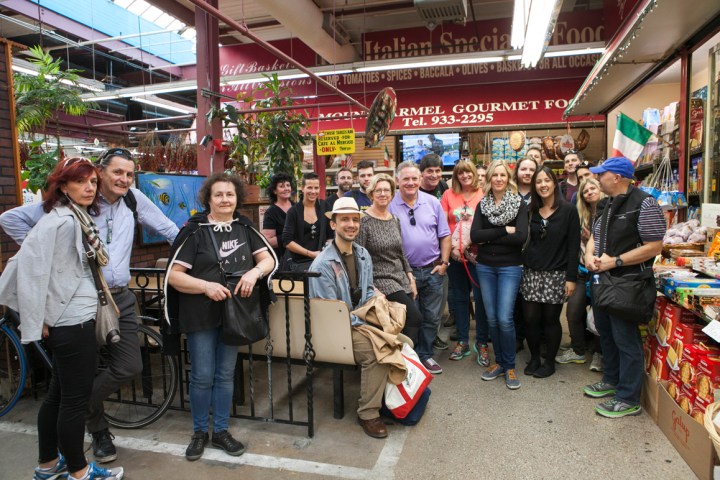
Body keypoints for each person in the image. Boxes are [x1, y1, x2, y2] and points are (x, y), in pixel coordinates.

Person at [0, 147, 178, 463]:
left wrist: (193, 255)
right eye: (117, 172)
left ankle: (76, 408)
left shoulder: (134, 200)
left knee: (129, 365)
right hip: (78, 299)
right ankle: (98, 433)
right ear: (101, 171)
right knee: (78, 372)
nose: (124, 179)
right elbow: (10, 219)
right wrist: (46, 253)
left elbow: (169, 229)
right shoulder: (69, 208)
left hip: (119, 296)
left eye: (129, 174)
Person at [0, 157, 124, 480]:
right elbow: (29, 270)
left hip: (68, 320)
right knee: (74, 401)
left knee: (57, 395)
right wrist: (36, 316)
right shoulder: (62, 221)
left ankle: (47, 465)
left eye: (93, 182)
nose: (89, 187)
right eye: (80, 181)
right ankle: (80, 472)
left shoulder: (70, 217)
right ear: (63, 185)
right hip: (72, 323)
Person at [165, 173, 276, 461]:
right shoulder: (194, 231)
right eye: (219, 195)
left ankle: (221, 432)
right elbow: (175, 277)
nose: (225, 199)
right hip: (200, 314)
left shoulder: (244, 228)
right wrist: (205, 286)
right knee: (202, 376)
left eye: (230, 194)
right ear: (208, 199)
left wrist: (253, 272)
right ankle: (200, 432)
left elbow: (268, 259)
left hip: (235, 313)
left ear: (237, 198)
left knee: (225, 375)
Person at [309, 197, 399, 439]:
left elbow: (368, 290)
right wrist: (370, 324)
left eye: (355, 220)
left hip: (357, 322)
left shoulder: (362, 254)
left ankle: (390, 401)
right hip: (334, 332)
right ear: (333, 224)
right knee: (377, 352)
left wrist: (379, 311)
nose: (351, 224)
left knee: (404, 342)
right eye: (345, 219)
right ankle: (368, 413)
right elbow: (330, 314)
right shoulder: (323, 264)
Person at [584, 157, 665, 418]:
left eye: (602, 174)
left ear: (616, 177)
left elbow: (654, 247)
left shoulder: (645, 203)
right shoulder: (606, 204)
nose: (597, 179)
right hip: (604, 281)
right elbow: (595, 237)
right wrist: (589, 255)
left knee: (625, 339)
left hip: (629, 284)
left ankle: (628, 398)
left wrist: (614, 261)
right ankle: (611, 380)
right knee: (606, 333)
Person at [470, 160, 528, 390]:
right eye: (495, 175)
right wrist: (504, 230)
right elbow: (475, 235)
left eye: (503, 175)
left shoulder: (518, 204)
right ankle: (500, 363)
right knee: (492, 318)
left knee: (504, 318)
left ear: (508, 178)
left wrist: (489, 236)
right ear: (489, 179)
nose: (499, 179)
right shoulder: (482, 204)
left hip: (509, 267)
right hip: (485, 266)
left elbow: (521, 237)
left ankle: (510, 365)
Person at [389, 161, 450, 375]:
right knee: (409, 317)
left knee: (433, 316)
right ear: (397, 181)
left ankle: (425, 354)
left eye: (414, 178)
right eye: (405, 178)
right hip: (405, 273)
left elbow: (444, 234)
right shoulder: (389, 205)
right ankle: (408, 356)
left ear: (420, 180)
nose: (411, 183)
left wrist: (444, 263)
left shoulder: (432, 202)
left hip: (434, 270)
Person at [520, 166, 580, 379]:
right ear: (534, 186)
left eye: (547, 180)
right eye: (538, 182)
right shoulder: (530, 210)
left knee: (551, 320)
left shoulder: (568, 211)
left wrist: (571, 278)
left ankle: (549, 362)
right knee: (530, 319)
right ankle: (535, 357)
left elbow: (574, 246)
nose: (543, 185)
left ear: (555, 183)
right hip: (531, 273)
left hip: (556, 274)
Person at [356, 174, 420, 345]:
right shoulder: (364, 221)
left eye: (387, 190)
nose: (383, 194)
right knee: (414, 318)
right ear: (371, 194)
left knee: (402, 323)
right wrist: (372, 288)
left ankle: (402, 362)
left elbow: (401, 252)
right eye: (379, 190)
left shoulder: (394, 219)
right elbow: (359, 259)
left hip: (400, 278)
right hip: (381, 280)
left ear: (392, 194)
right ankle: (405, 360)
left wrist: (410, 276)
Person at [440, 161, 489, 364]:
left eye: (468, 172)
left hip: (478, 255)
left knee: (481, 299)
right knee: (459, 299)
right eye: (460, 173)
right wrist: (452, 249)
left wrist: (469, 246)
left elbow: (488, 224)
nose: (465, 176)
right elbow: (443, 226)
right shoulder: (448, 195)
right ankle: (462, 341)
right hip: (455, 255)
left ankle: (482, 343)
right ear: (456, 176)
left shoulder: (483, 194)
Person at [558, 177, 606, 371]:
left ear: (600, 189)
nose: (589, 192)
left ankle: (600, 354)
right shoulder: (580, 216)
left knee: (599, 316)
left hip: (602, 272)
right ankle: (578, 350)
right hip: (580, 271)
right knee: (573, 311)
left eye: (593, 188)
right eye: (585, 191)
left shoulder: (610, 212)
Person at [417, 153, 451, 349]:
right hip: (420, 259)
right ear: (422, 173)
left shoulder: (443, 188)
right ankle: (420, 341)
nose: (434, 175)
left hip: (441, 256)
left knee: (437, 304)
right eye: (430, 171)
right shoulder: (415, 189)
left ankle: (433, 335)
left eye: (438, 170)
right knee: (421, 304)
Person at [281, 172, 331, 272]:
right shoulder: (293, 211)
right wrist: (310, 253)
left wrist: (328, 245)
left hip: (322, 262)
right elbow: (287, 241)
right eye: (309, 187)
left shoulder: (325, 207)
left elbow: (331, 234)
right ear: (302, 188)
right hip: (298, 264)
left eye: (316, 188)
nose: (313, 191)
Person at [262, 173, 293, 260]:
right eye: (282, 186)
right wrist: (289, 237)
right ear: (275, 191)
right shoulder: (271, 212)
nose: (286, 188)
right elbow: (268, 241)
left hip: (300, 256)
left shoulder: (297, 207)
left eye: (288, 185)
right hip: (282, 258)